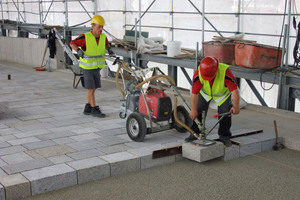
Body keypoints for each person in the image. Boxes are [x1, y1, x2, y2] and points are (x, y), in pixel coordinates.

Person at [185, 56, 240, 147]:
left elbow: (234, 90)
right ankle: (194, 134)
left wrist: (236, 106)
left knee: (225, 113)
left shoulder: (225, 72)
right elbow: (194, 93)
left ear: (216, 70)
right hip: (205, 93)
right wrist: (193, 109)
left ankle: (224, 137)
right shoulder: (198, 73)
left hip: (222, 95)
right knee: (197, 111)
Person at [70, 15, 115, 118]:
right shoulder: (85, 37)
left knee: (92, 89)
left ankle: (87, 107)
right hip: (87, 67)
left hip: (96, 67)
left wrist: (110, 50)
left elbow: (106, 45)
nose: (101, 29)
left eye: (102, 26)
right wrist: (78, 50)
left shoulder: (103, 37)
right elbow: (72, 43)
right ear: (93, 26)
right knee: (91, 89)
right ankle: (94, 109)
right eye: (99, 26)